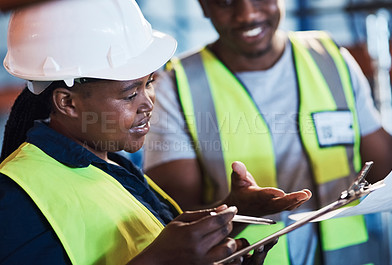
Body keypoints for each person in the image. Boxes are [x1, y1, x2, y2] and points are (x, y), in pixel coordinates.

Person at [0, 0, 312, 264]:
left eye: (149, 83)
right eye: (129, 94)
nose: (149, 103)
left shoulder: (110, 168)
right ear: (67, 102)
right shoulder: (16, 199)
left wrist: (230, 218)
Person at [143, 0, 392, 264]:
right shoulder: (175, 85)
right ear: (204, 6)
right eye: (226, 2)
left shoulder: (331, 59)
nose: (248, 14)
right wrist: (237, 208)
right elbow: (171, 218)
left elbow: (387, 169)